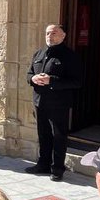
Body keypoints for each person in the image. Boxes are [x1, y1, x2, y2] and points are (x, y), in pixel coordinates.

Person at [27, 24, 84, 181]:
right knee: (43, 134)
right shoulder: (39, 53)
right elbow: (29, 73)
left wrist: (51, 80)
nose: (49, 36)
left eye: (54, 33)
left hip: (59, 104)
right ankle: (43, 164)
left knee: (58, 136)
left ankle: (57, 168)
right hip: (40, 102)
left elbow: (77, 82)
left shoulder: (70, 56)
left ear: (63, 36)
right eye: (47, 33)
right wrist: (33, 78)